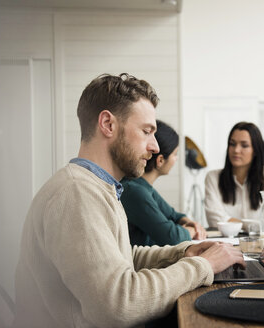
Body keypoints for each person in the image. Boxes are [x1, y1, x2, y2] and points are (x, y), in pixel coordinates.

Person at [13, 73, 245, 328]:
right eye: (147, 131)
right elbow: (120, 304)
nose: (156, 147)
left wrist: (184, 252)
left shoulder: (99, 187)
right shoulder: (77, 194)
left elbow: (122, 258)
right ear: (108, 124)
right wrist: (203, 266)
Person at [121, 120, 207, 246]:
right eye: (175, 154)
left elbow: (174, 215)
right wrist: (193, 230)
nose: (177, 159)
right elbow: (172, 237)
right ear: (160, 160)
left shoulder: (143, 187)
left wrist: (188, 221)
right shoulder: (135, 190)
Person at [204, 122, 264, 228]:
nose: (236, 150)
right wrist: (254, 225)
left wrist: (234, 222)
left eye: (244, 145)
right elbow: (215, 219)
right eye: (232, 144)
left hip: (261, 240)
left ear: (255, 150)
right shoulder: (213, 178)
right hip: (224, 242)